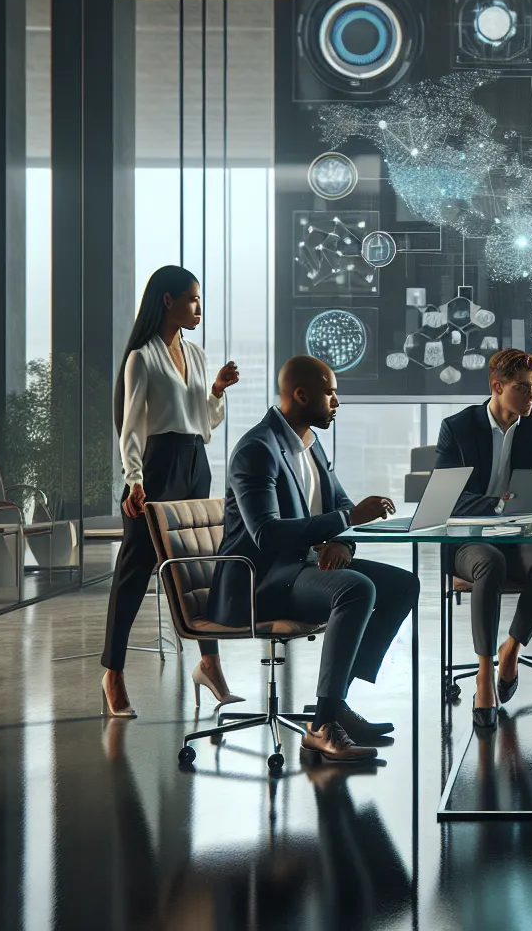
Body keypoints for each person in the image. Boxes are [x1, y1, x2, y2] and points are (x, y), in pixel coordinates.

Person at [213, 356, 418, 763]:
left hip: (302, 567)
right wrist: (348, 519)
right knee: (355, 589)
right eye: (330, 393)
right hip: (261, 580)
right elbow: (267, 534)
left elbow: (338, 502)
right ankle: (322, 726)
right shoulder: (257, 450)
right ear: (302, 395)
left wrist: (342, 540)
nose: (337, 402)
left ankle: (335, 703)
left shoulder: (309, 442)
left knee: (402, 585)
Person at [101, 265, 242, 719]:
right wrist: (134, 480)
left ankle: (210, 664)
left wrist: (216, 390)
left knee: (201, 568)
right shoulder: (141, 357)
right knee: (135, 570)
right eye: (192, 299)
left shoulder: (196, 355)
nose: (198, 308)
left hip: (196, 464)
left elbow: (205, 423)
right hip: (157, 467)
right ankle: (113, 673)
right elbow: (130, 427)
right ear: (167, 301)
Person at [434, 349, 532, 729]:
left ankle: (511, 650)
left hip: (519, 536)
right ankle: (483, 673)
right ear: (497, 386)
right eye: (522, 387)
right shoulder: (458, 428)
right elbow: (446, 498)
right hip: (469, 538)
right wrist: (497, 504)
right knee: (489, 563)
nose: (531, 395)